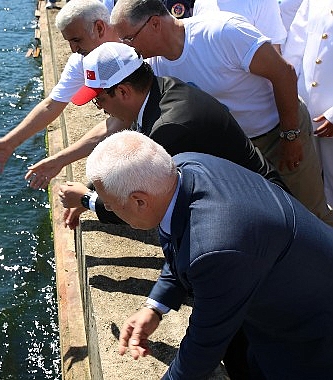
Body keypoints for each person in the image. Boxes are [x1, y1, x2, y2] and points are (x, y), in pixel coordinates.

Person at [43, 0, 333, 225]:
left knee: (310, 213)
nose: (127, 48)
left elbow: (283, 73)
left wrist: (291, 136)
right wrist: (88, 180)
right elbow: (119, 124)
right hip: (237, 145)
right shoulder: (154, 64)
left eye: (128, 39)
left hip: (277, 131)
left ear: (154, 24)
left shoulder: (221, 32)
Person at [85, 130, 333, 379]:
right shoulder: (182, 168)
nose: (109, 209)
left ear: (139, 201)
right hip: (285, 292)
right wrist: (156, 307)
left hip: (311, 332)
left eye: (110, 204)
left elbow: (203, 347)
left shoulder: (215, 247)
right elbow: (182, 241)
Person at [58, 42, 286, 234]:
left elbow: (143, 204)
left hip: (263, 218)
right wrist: (92, 189)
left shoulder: (169, 129)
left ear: (123, 92)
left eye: (99, 100)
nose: (100, 109)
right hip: (257, 198)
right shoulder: (162, 89)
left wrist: (87, 200)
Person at [0, 0, 121, 189]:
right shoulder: (82, 59)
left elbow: (121, 123)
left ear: (100, 28)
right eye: (69, 42)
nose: (73, 49)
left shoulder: (138, 50)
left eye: (77, 40)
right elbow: (51, 105)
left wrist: (60, 160)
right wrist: (9, 142)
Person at [282, 0, 333, 206]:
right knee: (306, 189)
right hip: (304, 116)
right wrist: (290, 103)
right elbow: (294, 51)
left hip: (329, 119)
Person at [192, 0, 286, 52]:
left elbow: (274, 51)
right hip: (204, 86)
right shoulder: (201, 2)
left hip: (250, 87)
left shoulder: (263, 2)